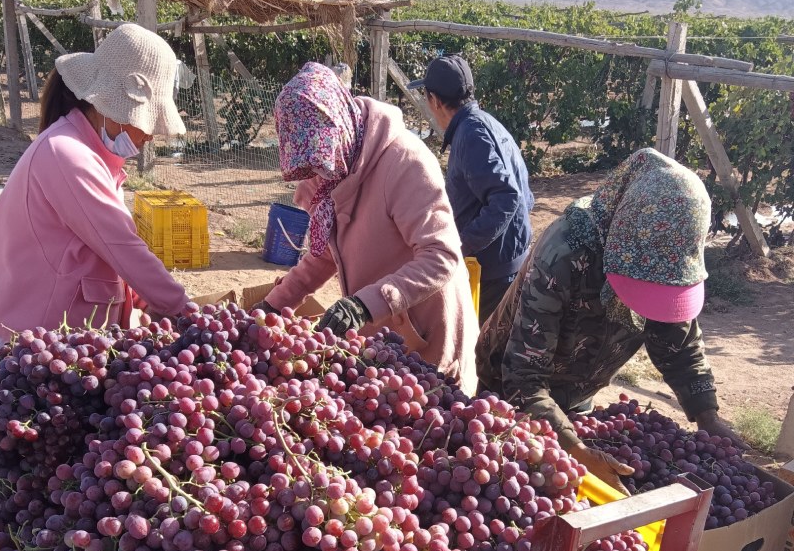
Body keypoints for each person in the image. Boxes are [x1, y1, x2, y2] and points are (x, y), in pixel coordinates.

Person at [476, 148, 738, 493]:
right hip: (509, 386)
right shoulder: (565, 252)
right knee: (514, 485)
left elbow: (678, 341)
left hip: (581, 384)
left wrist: (707, 414)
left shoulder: (667, 260)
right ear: (621, 247)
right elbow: (523, 376)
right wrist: (574, 449)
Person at [260, 62, 479, 394]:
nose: (319, 174)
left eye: (322, 161)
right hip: (379, 336)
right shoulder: (327, 175)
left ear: (341, 128)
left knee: (430, 423)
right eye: (310, 166)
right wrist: (273, 305)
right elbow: (324, 256)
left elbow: (441, 256)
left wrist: (365, 304)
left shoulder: (404, 162)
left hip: (426, 330)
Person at [0, 24, 189, 342]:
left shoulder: (89, 155)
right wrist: (188, 313)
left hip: (69, 344)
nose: (150, 134)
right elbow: (122, 247)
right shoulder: (67, 155)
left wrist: (145, 299)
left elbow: (104, 252)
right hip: (38, 350)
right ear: (111, 107)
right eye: (146, 121)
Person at [409, 55, 534, 323]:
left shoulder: (471, 135)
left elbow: (507, 197)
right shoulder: (487, 124)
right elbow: (525, 195)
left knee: (476, 355)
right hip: (507, 264)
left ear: (436, 100)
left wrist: (459, 245)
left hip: (494, 274)